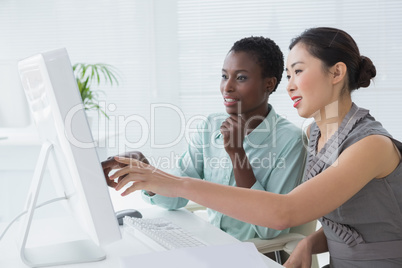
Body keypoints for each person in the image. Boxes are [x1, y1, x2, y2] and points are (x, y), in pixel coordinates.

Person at [107, 27, 402, 267]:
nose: (288, 86)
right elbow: (356, 220)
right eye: (288, 75)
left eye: (298, 71)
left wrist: (179, 184)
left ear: (336, 73)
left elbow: (285, 213)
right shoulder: (316, 132)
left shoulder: (371, 146)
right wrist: (310, 243)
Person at [102, 36, 307, 242]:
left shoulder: (291, 141)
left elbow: (270, 229)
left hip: (255, 255)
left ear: (269, 84)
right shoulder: (211, 125)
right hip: (210, 243)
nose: (227, 87)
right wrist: (145, 171)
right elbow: (176, 196)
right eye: (224, 76)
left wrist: (237, 154)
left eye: (241, 78)